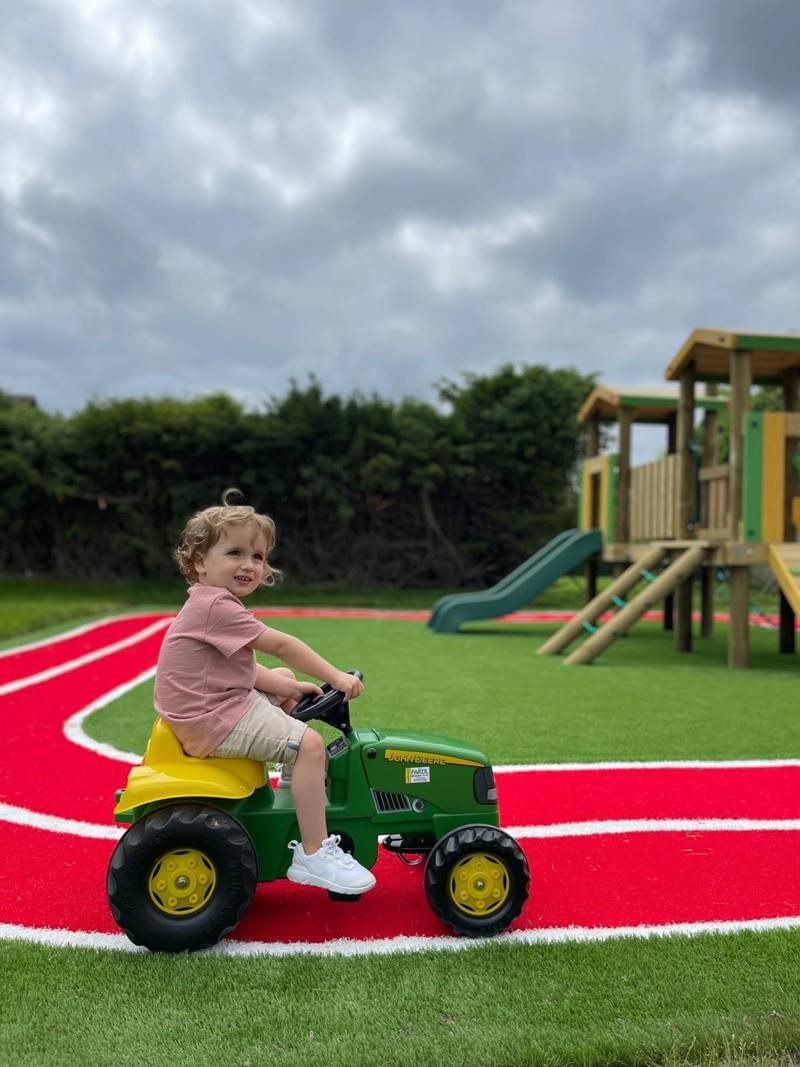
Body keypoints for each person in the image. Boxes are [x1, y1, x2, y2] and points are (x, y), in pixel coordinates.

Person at [154, 493, 376, 895]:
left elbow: (231, 667)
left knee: (283, 677)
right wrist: (335, 677)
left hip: (209, 704)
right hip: (212, 719)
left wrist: (288, 686)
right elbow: (282, 645)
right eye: (235, 553)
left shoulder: (209, 603)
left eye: (257, 557)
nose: (249, 565)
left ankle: (295, 786)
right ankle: (314, 853)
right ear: (200, 563)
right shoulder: (217, 607)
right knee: (310, 745)